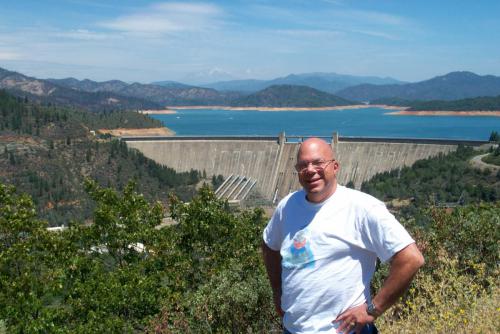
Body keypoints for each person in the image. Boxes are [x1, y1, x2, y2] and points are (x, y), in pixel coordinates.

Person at [262, 137, 424, 334]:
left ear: (335, 166)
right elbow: (269, 245)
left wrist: (373, 309)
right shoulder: (287, 206)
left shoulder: (362, 207)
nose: (310, 170)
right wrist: (277, 289)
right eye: (303, 165)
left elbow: (411, 259)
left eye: (318, 163)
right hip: (293, 329)